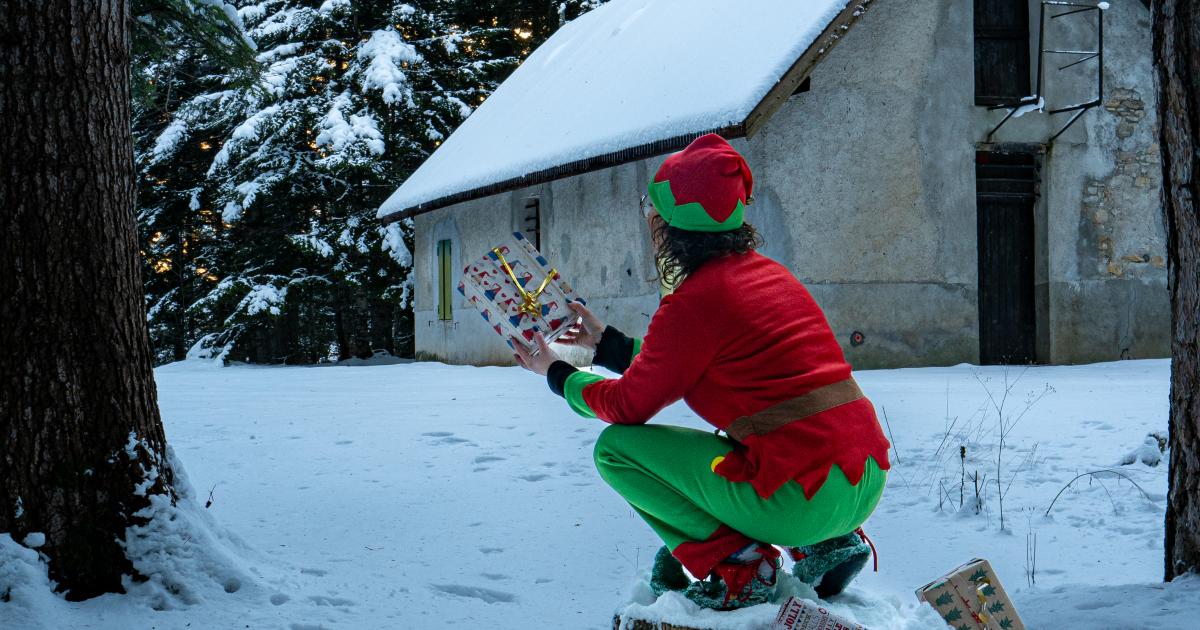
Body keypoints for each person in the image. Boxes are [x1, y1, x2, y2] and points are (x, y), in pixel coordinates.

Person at [512, 133, 891, 610]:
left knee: (616, 451)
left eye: (650, 209)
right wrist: (606, 345)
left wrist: (557, 373)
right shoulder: (771, 277)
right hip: (861, 480)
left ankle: (742, 564)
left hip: (801, 500)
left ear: (667, 227)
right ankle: (831, 545)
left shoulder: (694, 303)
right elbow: (689, 362)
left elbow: (627, 406)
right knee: (775, 436)